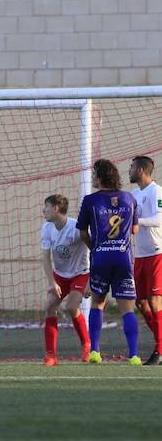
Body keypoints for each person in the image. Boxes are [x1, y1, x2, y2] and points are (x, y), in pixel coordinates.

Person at [76, 159, 140, 364]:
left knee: (98, 302)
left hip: (101, 257)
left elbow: (82, 233)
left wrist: (95, 247)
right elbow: (135, 230)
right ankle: (134, 355)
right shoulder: (129, 198)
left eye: (94, 174)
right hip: (123, 258)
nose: (93, 177)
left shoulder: (90, 201)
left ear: (101, 176)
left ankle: (95, 351)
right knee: (127, 308)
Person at [40, 195, 91, 365]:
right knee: (49, 307)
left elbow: (94, 249)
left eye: (46, 206)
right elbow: (46, 257)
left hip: (80, 274)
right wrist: (51, 282)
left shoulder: (76, 227)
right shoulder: (47, 228)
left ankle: (86, 345)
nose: (43, 210)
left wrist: (91, 282)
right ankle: (51, 355)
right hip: (60, 276)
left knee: (71, 307)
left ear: (55, 208)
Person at [128, 156, 162, 364]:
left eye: (131, 167)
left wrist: (136, 221)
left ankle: (159, 350)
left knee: (155, 301)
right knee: (140, 301)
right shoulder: (132, 194)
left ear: (140, 170)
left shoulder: (157, 191)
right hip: (139, 255)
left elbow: (160, 218)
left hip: (157, 252)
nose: (129, 171)